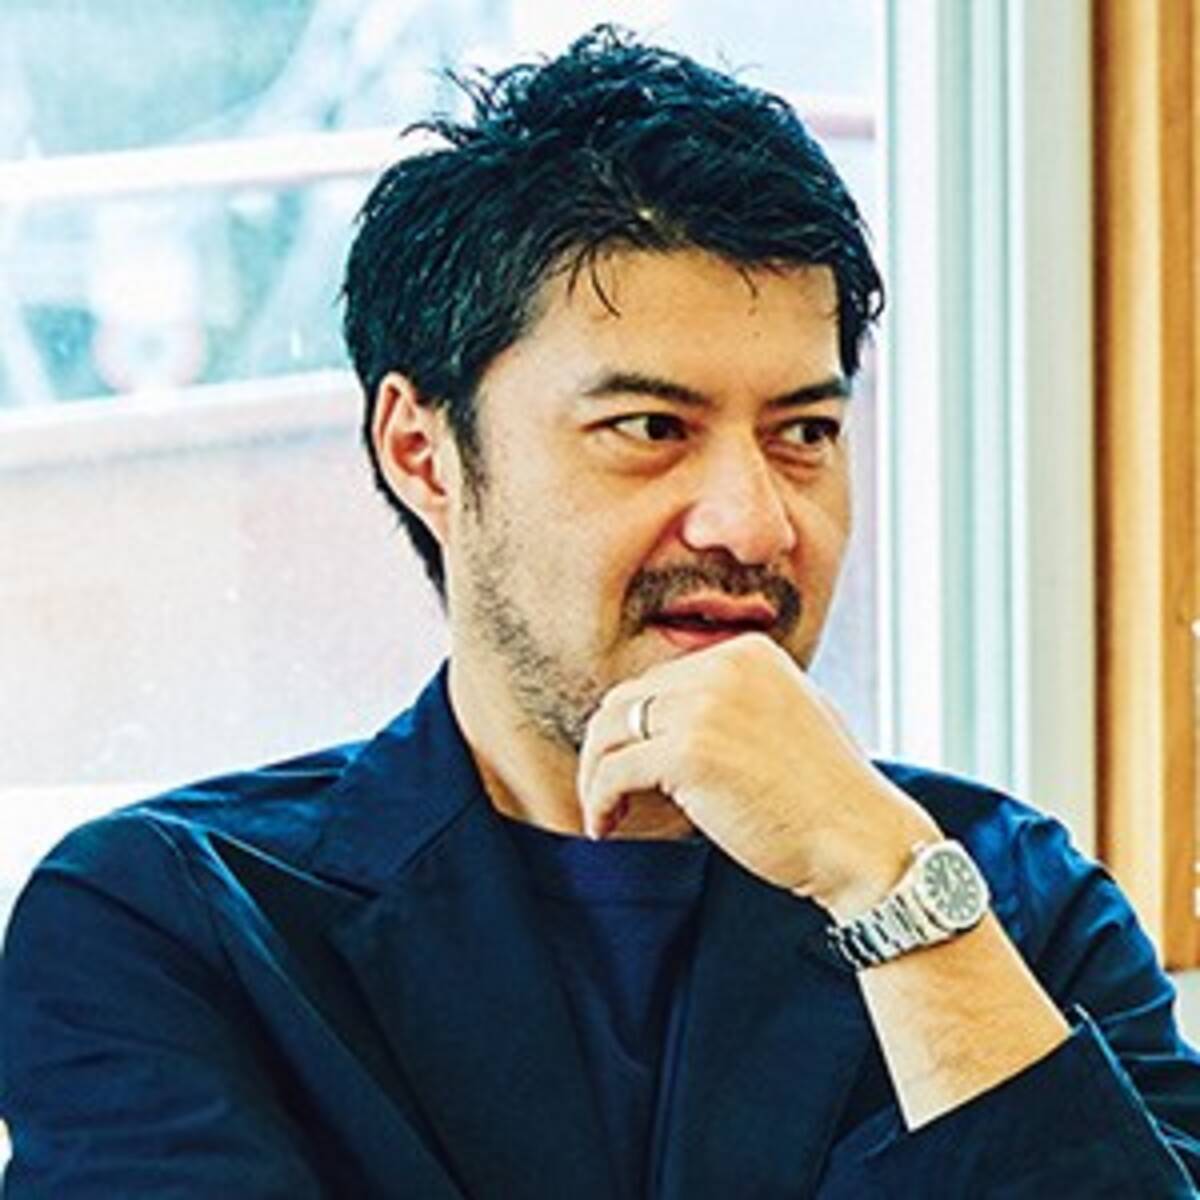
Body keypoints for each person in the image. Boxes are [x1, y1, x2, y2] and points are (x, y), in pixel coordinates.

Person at [2, 25, 1199, 1198]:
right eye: (649, 428)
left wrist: (894, 895)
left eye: (804, 433)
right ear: (424, 452)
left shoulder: (1011, 903)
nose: (754, 523)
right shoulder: (172, 922)